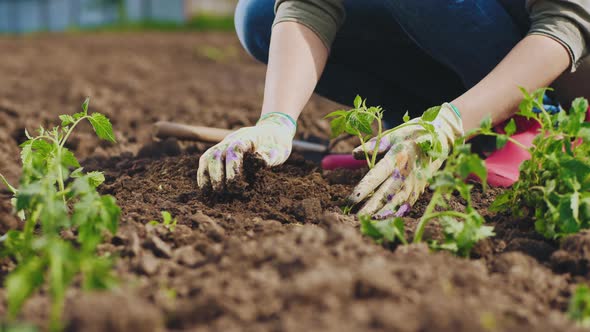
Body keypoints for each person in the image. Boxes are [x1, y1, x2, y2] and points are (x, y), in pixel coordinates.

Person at [197, 0, 590, 219]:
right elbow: (310, 3)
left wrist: (448, 126)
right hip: (465, 47)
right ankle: (409, 125)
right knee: (259, 16)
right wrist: (276, 122)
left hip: (565, 74)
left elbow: (566, 22)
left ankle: (535, 122)